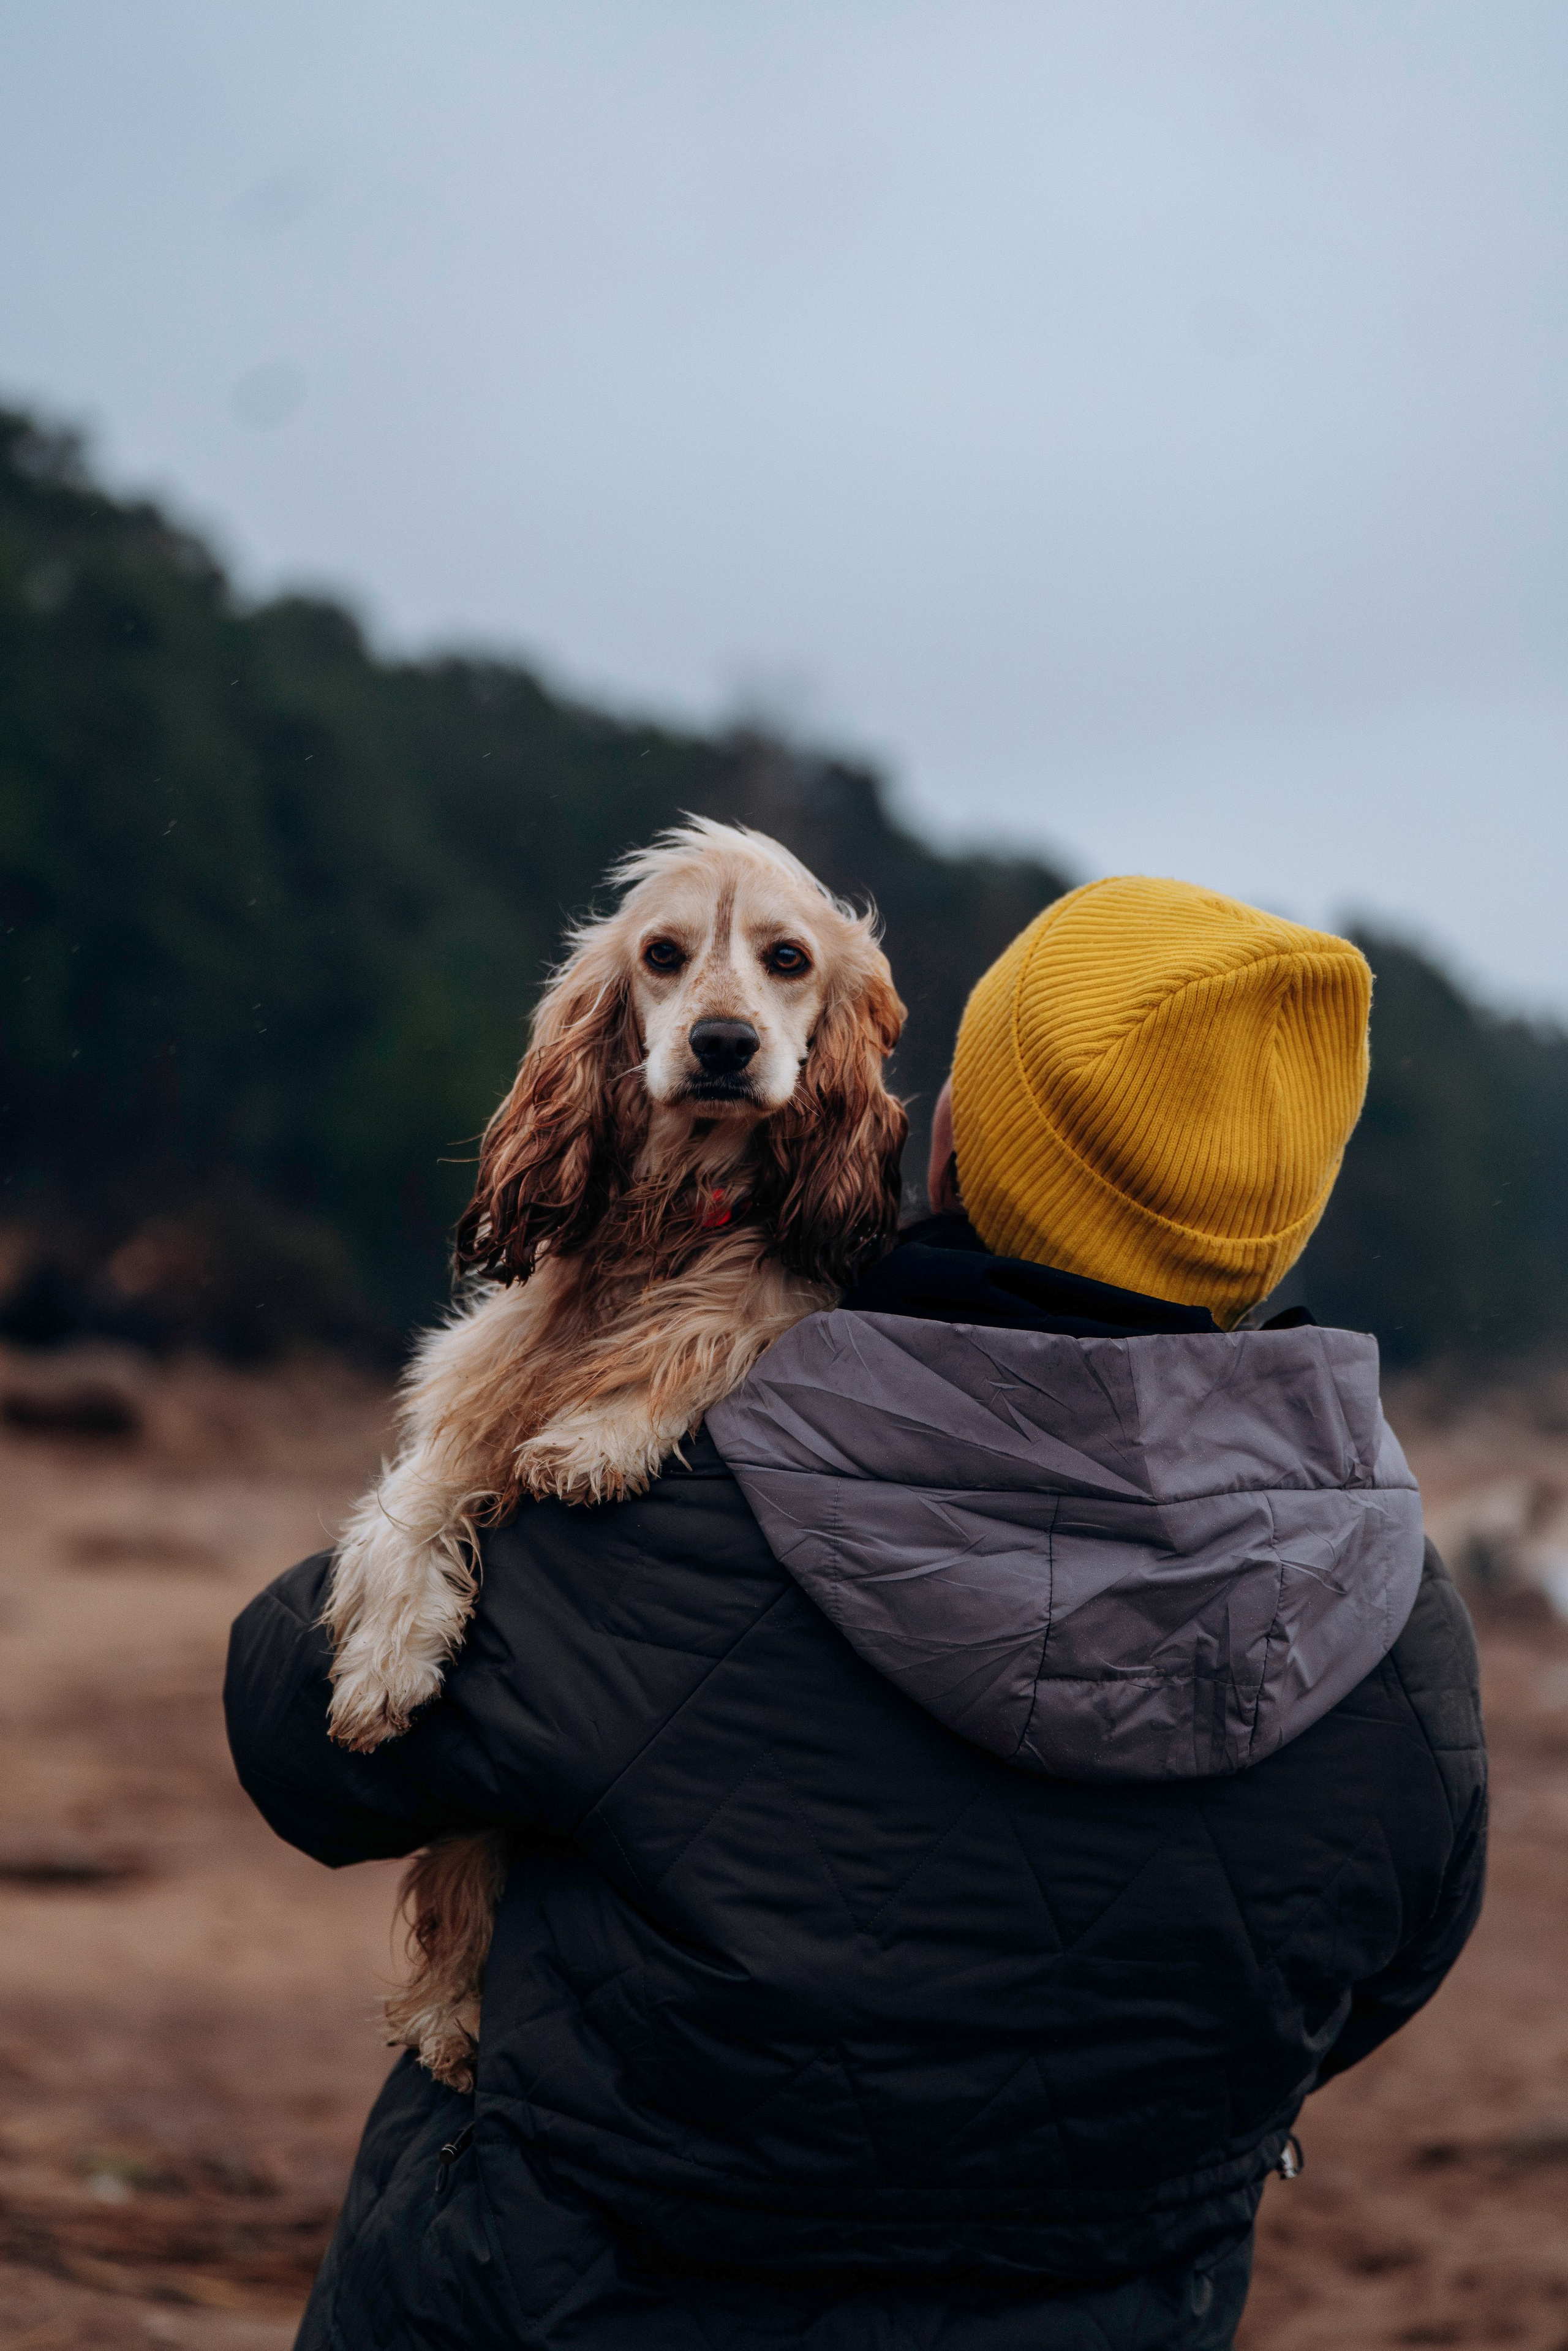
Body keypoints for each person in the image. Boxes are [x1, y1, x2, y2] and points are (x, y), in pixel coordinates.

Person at [226, 875, 1485, 2351]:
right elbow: (1380, 1971)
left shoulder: (665, 1503)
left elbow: (294, 1730)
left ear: (944, 1140)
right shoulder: (1396, 1629)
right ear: (1265, 1230)